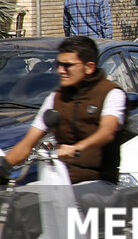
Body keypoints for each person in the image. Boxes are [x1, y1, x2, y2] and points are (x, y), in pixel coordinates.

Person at [2, 37, 126, 197]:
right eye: (58, 64)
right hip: (59, 179)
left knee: (57, 201)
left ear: (89, 67)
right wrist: (4, 165)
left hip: (99, 182)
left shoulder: (111, 94)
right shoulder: (56, 98)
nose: (60, 70)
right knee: (19, 201)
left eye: (67, 66)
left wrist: (77, 148)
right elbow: (27, 143)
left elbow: (107, 131)